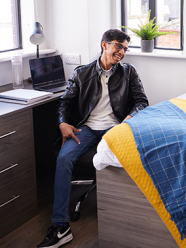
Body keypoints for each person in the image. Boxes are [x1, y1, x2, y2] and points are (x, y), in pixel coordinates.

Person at [37, 29, 148, 248]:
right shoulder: (81, 73)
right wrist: (62, 123)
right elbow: (65, 104)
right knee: (64, 158)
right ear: (104, 44)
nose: (122, 52)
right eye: (118, 46)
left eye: (126, 48)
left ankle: (133, 218)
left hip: (116, 127)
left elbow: (142, 102)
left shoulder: (129, 72)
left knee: (132, 158)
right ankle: (61, 226)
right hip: (86, 128)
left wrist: (129, 118)